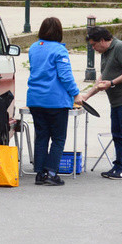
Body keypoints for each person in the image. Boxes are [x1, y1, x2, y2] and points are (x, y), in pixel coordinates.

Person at [27, 17, 83, 186]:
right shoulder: (59, 51)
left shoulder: (33, 48)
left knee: (42, 136)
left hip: (35, 99)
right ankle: (51, 172)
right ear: (59, 32)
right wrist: (76, 94)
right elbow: (65, 76)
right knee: (58, 138)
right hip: (55, 101)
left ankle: (40, 173)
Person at [83, 26, 122, 180]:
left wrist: (112, 83)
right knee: (116, 133)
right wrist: (87, 96)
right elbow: (102, 78)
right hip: (116, 100)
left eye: (94, 44)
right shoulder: (105, 52)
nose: (93, 48)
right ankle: (118, 165)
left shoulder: (120, 48)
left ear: (103, 40)